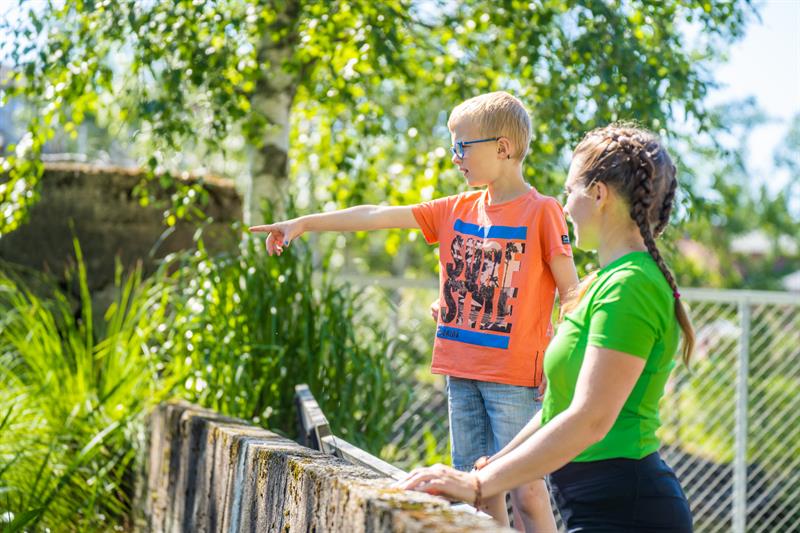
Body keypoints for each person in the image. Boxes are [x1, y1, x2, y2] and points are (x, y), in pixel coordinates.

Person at [250, 91, 578, 531]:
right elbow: (377, 215)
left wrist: (559, 358)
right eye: (452, 146)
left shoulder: (543, 212)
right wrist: (304, 223)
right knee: (477, 493)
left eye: (463, 146)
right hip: (460, 373)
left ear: (502, 148)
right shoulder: (454, 209)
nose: (455, 157)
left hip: (515, 380)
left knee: (528, 492)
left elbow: (571, 293)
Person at [397, 123, 696, 533]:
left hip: (627, 512)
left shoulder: (633, 285)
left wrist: (479, 482)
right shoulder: (604, 282)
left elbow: (590, 418)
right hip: (590, 505)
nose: (565, 204)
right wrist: (488, 471)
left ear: (598, 194)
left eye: (570, 189)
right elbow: (559, 405)